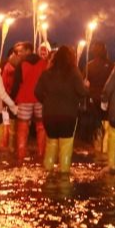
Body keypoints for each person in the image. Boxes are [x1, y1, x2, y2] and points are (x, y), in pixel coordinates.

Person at [34, 45, 87, 173]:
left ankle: (48, 170)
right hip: (68, 115)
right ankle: (64, 174)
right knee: (66, 144)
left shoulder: (47, 74)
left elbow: (37, 92)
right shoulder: (74, 73)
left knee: (51, 143)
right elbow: (82, 92)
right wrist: (86, 86)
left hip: (49, 115)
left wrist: (46, 102)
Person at [10, 42, 46, 163]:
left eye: (21, 51)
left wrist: (12, 99)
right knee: (41, 127)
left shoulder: (21, 64)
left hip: (24, 98)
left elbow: (16, 84)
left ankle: (21, 154)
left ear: (28, 50)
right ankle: (41, 153)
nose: (19, 53)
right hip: (40, 99)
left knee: (23, 127)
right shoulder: (43, 63)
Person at [85, 42, 114, 153]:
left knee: (96, 124)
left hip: (93, 98)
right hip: (106, 98)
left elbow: (85, 81)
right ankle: (105, 149)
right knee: (106, 123)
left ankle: (97, 149)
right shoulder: (111, 65)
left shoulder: (89, 65)